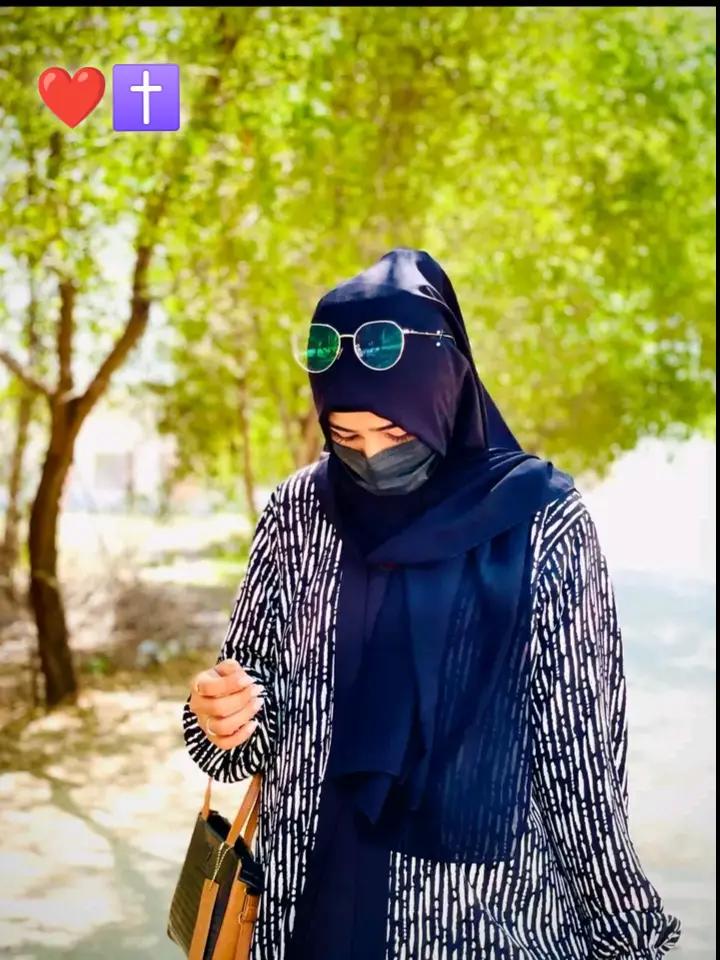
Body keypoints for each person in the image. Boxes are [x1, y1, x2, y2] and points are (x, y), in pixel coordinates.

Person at [183, 248, 682, 959]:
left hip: (481, 928)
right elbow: (242, 714)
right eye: (346, 436)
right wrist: (220, 715)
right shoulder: (299, 511)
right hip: (306, 914)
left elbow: (578, 763)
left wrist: (625, 935)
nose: (372, 457)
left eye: (395, 433)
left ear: (447, 390)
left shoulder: (540, 525)